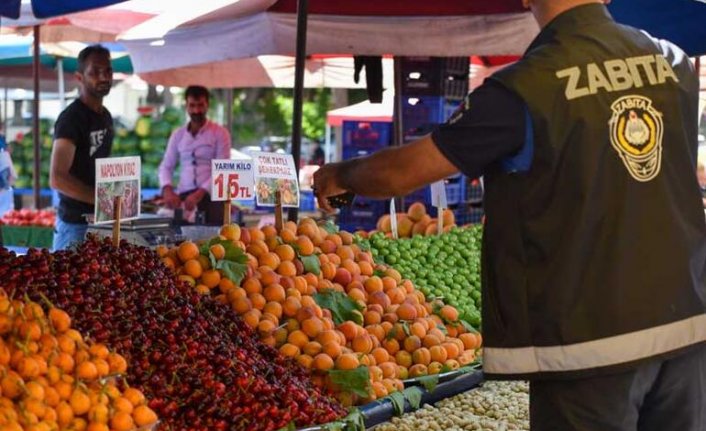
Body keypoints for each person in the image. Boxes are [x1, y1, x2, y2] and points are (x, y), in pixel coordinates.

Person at [313, 1, 706, 430]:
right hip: (687, 325)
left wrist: (341, 173)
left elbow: (403, 173)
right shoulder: (676, 64)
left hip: (589, 343)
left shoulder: (524, 88)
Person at [50, 45, 114, 251]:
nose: (103, 77)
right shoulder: (71, 119)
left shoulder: (105, 117)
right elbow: (57, 177)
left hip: (99, 223)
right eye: (95, 71)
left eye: (108, 71)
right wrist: (102, 200)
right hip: (74, 225)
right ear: (80, 77)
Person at [158, 86, 231, 225]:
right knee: (180, 241)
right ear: (186, 106)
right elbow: (166, 166)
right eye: (192, 105)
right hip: (184, 197)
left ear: (207, 105)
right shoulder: (177, 135)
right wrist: (167, 189)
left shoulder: (221, 133)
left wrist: (200, 193)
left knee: (213, 239)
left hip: (211, 197)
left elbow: (223, 169)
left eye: (200, 105)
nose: (196, 111)